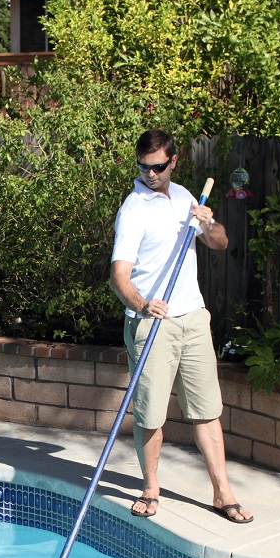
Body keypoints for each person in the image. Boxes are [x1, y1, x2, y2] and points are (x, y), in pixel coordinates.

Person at [109, 129, 253, 524]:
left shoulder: (188, 197)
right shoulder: (133, 208)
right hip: (151, 323)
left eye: (157, 166)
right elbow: (118, 275)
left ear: (173, 162)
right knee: (151, 414)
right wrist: (142, 303)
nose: (150, 174)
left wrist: (207, 224)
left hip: (192, 317)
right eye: (143, 166)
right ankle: (151, 488)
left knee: (206, 409)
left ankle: (222, 492)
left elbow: (220, 243)